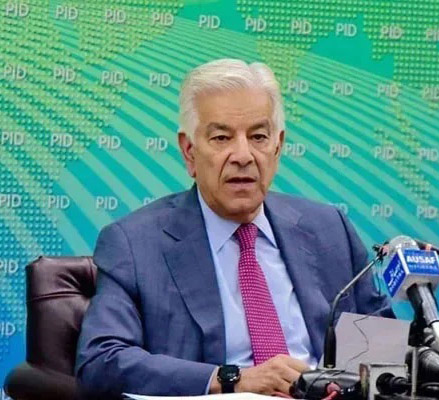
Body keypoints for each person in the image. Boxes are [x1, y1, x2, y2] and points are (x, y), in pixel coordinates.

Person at [75, 59, 394, 398]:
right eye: (221, 137)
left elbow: (386, 353)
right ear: (189, 151)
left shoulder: (328, 229)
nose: (243, 155)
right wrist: (232, 380)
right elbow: (101, 361)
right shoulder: (136, 244)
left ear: (278, 146)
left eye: (258, 137)